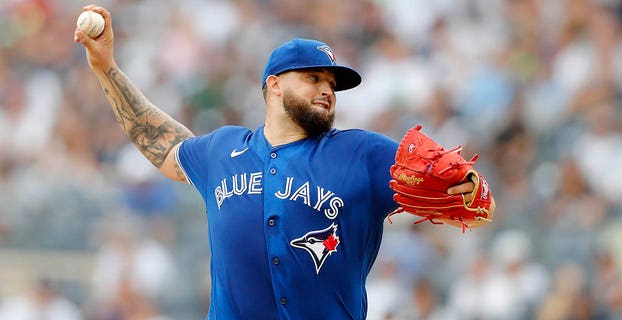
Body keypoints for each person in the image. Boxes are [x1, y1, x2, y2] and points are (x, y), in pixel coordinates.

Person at [74, 5, 495, 319]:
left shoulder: (363, 153)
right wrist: (106, 67)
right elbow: (158, 139)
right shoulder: (222, 150)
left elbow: (471, 201)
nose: (327, 90)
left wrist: (473, 190)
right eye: (313, 78)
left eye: (332, 83)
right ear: (274, 85)